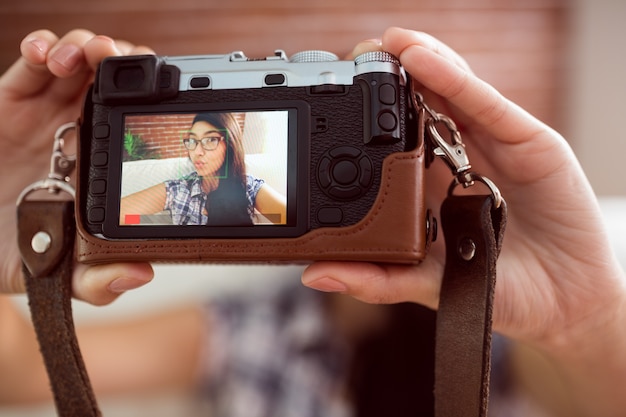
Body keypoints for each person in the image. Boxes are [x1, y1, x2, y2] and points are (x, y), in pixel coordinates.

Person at [0, 26, 624, 417]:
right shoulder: (257, 331)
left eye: (410, 132)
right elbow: (21, 373)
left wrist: (583, 316)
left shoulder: (514, 337)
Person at [120, 112, 287, 226]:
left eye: (210, 140)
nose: (197, 152)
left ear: (229, 144)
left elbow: (298, 221)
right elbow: (118, 215)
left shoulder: (250, 187)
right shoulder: (178, 190)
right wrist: (148, 224)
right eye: (192, 141)